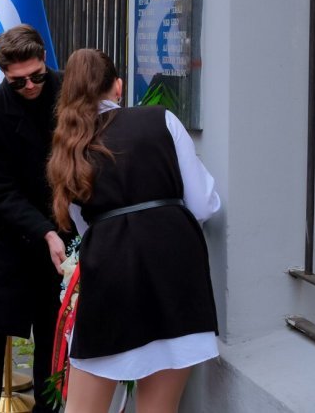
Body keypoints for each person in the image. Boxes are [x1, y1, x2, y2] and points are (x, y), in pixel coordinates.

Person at [46, 49, 221, 413]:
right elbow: (204, 204)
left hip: (112, 270)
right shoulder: (162, 120)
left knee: (83, 407)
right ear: (118, 86)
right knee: (159, 408)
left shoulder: (70, 144)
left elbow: (83, 225)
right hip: (175, 266)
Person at [0, 25, 65, 413]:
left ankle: (49, 407)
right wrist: (43, 232)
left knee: (51, 334)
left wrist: (58, 230)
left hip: (60, 229)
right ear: (2, 73)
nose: (29, 86)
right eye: (18, 81)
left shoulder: (68, 93)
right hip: (7, 237)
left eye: (37, 76)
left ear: (44, 59)